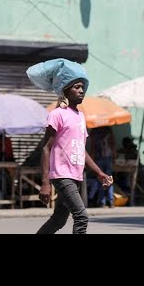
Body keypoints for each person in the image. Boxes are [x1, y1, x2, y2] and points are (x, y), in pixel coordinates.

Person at [35, 63, 113, 234]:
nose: (81, 90)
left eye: (82, 87)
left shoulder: (81, 117)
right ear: (66, 91)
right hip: (62, 176)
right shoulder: (57, 115)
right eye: (76, 87)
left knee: (58, 220)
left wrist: (99, 172)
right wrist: (45, 182)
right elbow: (46, 148)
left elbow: (81, 150)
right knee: (81, 216)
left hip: (76, 176)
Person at [87, 126, 116, 208]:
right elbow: (113, 144)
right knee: (108, 179)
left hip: (99, 158)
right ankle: (109, 201)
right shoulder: (108, 130)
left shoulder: (94, 131)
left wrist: (91, 161)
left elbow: (93, 147)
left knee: (101, 180)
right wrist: (114, 156)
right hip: (106, 158)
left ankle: (102, 201)